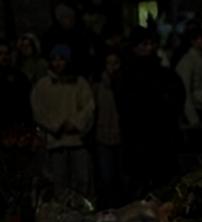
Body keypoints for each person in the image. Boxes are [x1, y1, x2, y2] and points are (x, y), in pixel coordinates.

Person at [118, 27, 184, 195]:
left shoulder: (164, 74)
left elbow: (177, 97)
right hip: (139, 140)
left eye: (151, 44)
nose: (149, 48)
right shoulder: (127, 74)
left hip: (162, 139)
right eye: (143, 44)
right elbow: (127, 109)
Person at [31, 44, 95, 197]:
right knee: (59, 183)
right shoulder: (43, 85)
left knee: (82, 182)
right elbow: (39, 110)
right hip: (55, 143)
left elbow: (88, 107)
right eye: (54, 59)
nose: (58, 63)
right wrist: (56, 125)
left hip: (77, 142)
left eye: (61, 59)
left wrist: (75, 123)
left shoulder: (79, 83)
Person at [93, 50, 123, 208]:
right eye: (109, 63)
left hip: (121, 136)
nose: (112, 67)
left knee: (120, 176)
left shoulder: (124, 84)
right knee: (107, 177)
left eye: (115, 63)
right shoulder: (98, 87)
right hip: (103, 136)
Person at [42, 3, 96, 77]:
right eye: (67, 17)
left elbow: (85, 56)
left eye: (72, 17)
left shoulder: (80, 34)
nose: (71, 20)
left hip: (78, 74)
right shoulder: (51, 35)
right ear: (60, 19)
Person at [0, 39, 32, 131]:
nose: (4, 57)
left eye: (6, 53)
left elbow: (26, 102)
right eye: (1, 53)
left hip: (16, 127)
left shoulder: (19, 76)